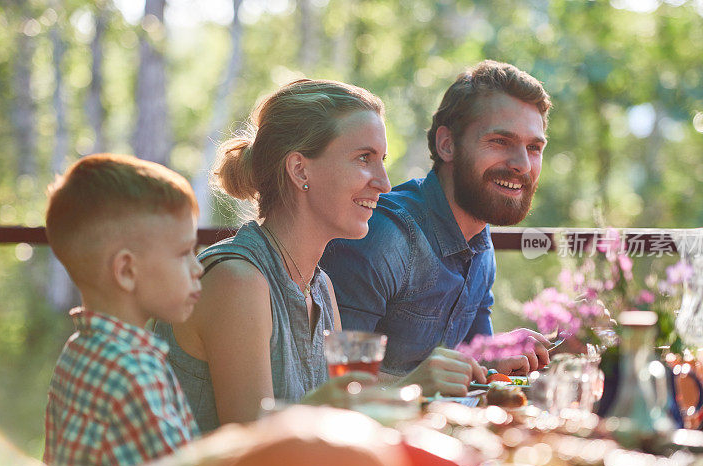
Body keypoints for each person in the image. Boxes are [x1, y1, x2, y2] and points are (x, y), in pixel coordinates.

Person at [155, 79, 488, 433]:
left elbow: (338, 422)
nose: (384, 183)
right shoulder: (237, 281)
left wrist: (418, 392)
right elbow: (253, 448)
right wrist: (410, 389)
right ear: (300, 170)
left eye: (382, 160)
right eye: (364, 158)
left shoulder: (320, 287)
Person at [321, 60, 553, 382]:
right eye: (500, 141)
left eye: (534, 147)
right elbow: (333, 388)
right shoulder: (383, 238)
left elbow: (471, 366)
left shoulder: (480, 244)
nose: (522, 164)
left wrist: (510, 355)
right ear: (447, 144)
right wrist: (417, 385)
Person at [43, 153, 202, 466]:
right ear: (127, 270)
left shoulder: (80, 349)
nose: (197, 268)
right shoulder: (134, 372)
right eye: (184, 253)